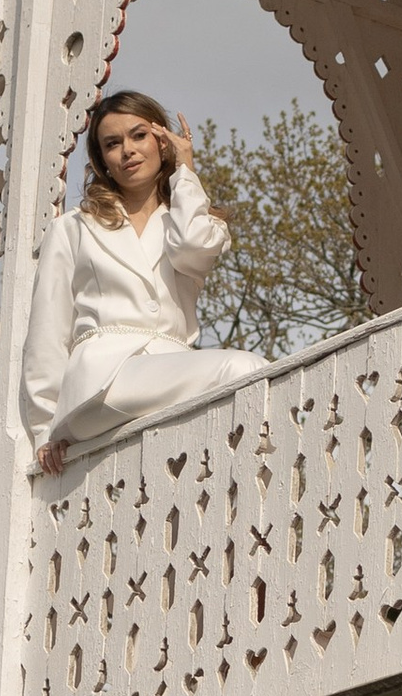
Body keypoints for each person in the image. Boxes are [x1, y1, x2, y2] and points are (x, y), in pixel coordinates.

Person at [18, 90, 268, 476]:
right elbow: (47, 331)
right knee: (243, 368)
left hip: (171, 374)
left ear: (161, 141)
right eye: (112, 144)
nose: (127, 151)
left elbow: (191, 249)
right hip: (100, 384)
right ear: (102, 160)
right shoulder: (73, 228)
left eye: (139, 136)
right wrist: (43, 430)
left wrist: (185, 172)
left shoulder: (197, 223)